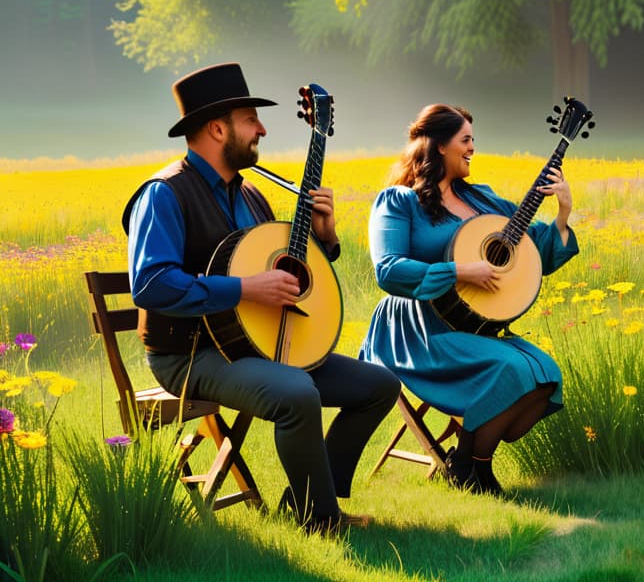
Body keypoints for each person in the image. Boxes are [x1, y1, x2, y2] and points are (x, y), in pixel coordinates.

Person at [124, 62, 400, 535]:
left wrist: (325, 239)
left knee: (379, 385)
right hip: (191, 353)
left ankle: (307, 499)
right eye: (251, 119)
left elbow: (288, 274)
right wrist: (245, 290)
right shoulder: (164, 194)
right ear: (217, 128)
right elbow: (150, 284)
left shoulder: (252, 196)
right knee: (296, 393)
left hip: (260, 341)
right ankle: (323, 520)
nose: (263, 129)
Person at [359, 104, 578, 495]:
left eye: (473, 139)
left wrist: (562, 214)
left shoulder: (483, 200)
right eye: (466, 140)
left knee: (545, 374)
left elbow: (531, 252)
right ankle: (475, 471)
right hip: (417, 327)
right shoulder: (399, 202)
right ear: (440, 146)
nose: (473, 147)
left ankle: (469, 463)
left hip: (476, 324)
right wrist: (459, 272)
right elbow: (388, 270)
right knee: (510, 369)